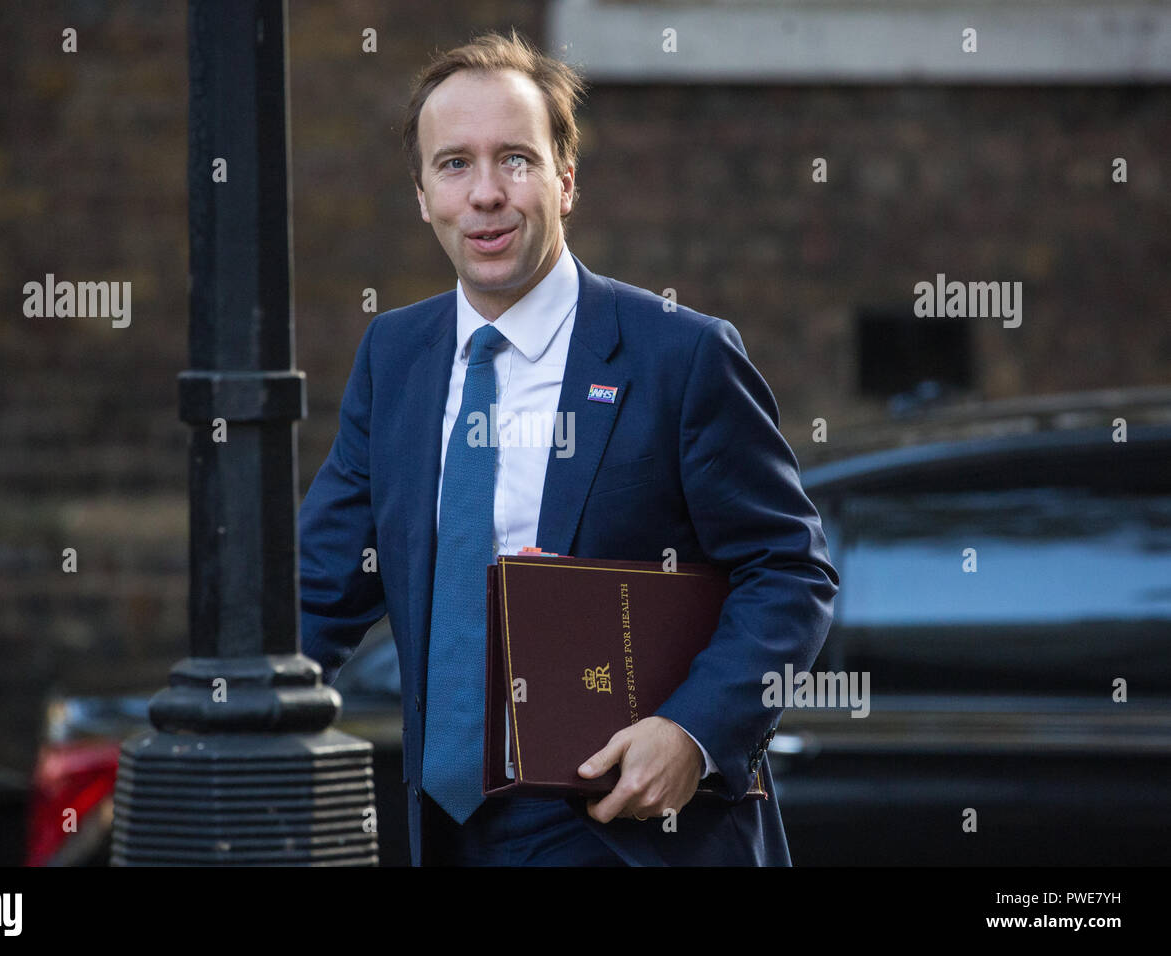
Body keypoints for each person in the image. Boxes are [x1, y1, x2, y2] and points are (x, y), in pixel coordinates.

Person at [297, 28, 838, 866]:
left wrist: (693, 732)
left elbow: (791, 569)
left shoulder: (681, 356)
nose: (485, 194)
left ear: (566, 180)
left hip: (635, 836)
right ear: (420, 193)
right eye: (454, 165)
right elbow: (320, 587)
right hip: (447, 834)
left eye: (515, 159)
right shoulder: (395, 358)